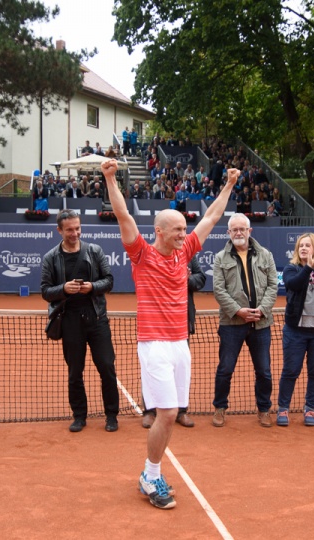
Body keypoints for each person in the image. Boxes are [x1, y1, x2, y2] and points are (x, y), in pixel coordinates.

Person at [103, 158, 237, 510]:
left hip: (180, 343)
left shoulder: (186, 252)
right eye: (177, 229)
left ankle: (152, 472)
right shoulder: (141, 254)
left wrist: (228, 185)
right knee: (165, 412)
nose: (184, 233)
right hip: (154, 344)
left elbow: (210, 218)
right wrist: (110, 179)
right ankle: (150, 475)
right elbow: (124, 217)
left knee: (174, 411)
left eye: (184, 228)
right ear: (159, 232)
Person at [41, 209, 119, 433]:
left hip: (97, 319)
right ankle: (79, 416)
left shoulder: (95, 251)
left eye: (77, 228)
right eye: (69, 230)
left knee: (106, 367)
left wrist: (92, 287)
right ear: (59, 230)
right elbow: (46, 291)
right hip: (70, 322)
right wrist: (64, 289)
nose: (74, 233)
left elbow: (109, 281)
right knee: (75, 371)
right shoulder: (50, 257)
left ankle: (111, 415)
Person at [211, 214, 278, 428]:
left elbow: (273, 286)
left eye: (242, 229)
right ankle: (220, 408)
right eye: (234, 229)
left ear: (250, 231)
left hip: (260, 323)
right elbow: (219, 290)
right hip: (231, 324)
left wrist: (262, 310)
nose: (238, 232)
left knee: (264, 371)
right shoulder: (221, 257)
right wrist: (238, 310)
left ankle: (264, 410)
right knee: (225, 369)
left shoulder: (266, 255)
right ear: (228, 233)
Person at [276, 233, 314, 427]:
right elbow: (293, 284)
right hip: (296, 330)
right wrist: (309, 267)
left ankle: (310, 408)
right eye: (301, 245)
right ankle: (283, 408)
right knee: (290, 371)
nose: (303, 248)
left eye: (308, 245)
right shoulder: (291, 268)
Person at [141, 256, 205, 429]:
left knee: (180, 368)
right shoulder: (151, 257)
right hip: (155, 322)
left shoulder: (189, 257)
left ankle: (181, 410)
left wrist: (187, 278)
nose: (180, 234)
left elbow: (200, 279)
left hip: (180, 322)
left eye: (182, 230)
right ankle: (150, 411)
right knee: (151, 367)